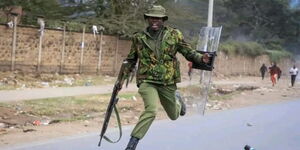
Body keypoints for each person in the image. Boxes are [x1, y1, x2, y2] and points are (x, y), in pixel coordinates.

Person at [121, 5, 211, 150]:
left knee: (174, 115)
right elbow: (131, 59)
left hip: (167, 81)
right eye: (152, 18)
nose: (154, 21)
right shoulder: (138, 37)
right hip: (147, 80)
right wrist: (120, 80)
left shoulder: (174, 35)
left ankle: (177, 100)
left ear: (163, 20)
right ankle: (132, 144)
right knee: (151, 110)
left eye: (158, 18)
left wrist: (202, 58)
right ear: (147, 19)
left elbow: (188, 52)